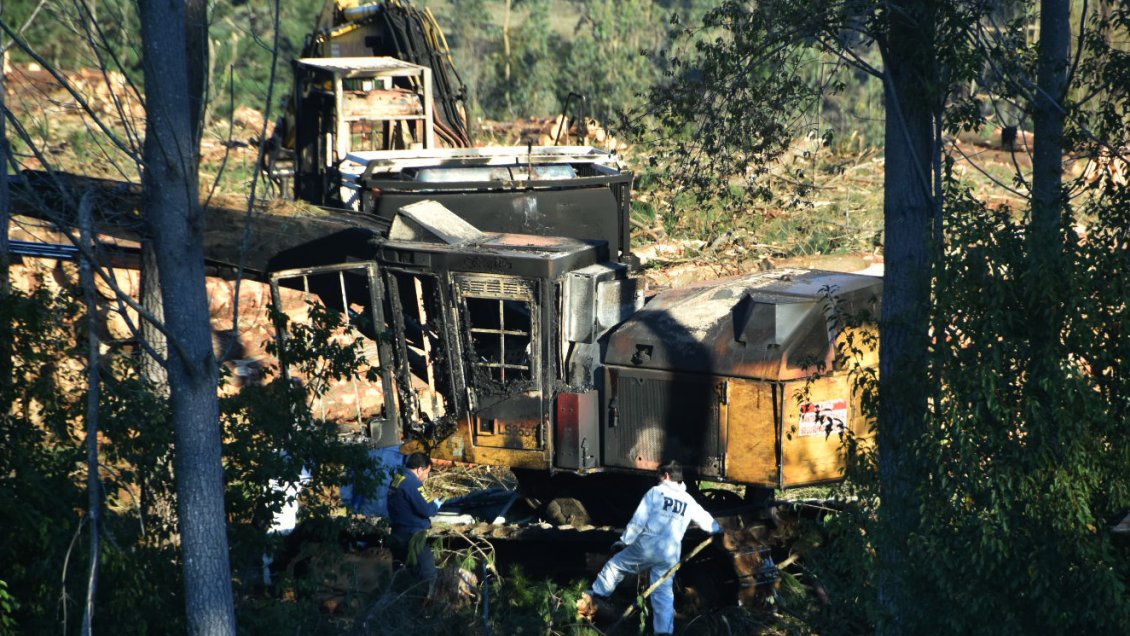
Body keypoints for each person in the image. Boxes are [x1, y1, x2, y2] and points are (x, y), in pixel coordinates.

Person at [584, 460, 721, 636]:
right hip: (670, 554)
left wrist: (625, 541)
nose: (658, 479)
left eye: (659, 475)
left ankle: (598, 594)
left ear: (667, 476)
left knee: (615, 565)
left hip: (647, 547)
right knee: (663, 594)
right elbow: (704, 519)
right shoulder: (688, 500)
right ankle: (663, 632)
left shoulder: (656, 492)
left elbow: (638, 521)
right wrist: (718, 530)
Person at [387, 452, 444, 584]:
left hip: (397, 532)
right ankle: (428, 601)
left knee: (404, 577)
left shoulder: (398, 478)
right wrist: (436, 504)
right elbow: (428, 510)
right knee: (428, 575)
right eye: (427, 472)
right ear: (420, 469)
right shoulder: (413, 483)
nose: (427, 476)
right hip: (413, 537)